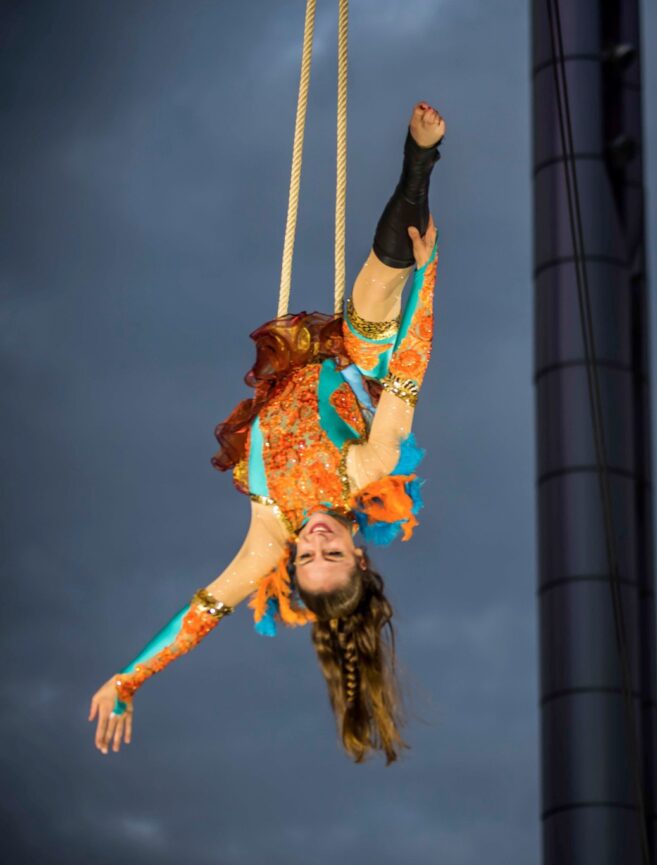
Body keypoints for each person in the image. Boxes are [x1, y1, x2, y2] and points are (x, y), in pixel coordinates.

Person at [86, 101, 447, 765]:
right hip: (353, 357)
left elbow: (199, 618)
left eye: (306, 561)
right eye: (331, 555)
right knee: (374, 304)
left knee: (368, 315)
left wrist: (128, 677)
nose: (314, 546)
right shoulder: (369, 468)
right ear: (360, 557)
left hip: (288, 365)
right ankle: (419, 166)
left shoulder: (269, 533)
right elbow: (408, 375)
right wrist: (424, 277)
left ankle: (409, 209)